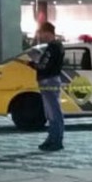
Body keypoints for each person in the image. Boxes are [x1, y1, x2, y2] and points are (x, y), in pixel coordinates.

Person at [29, 21, 65, 151]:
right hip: (51, 80)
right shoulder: (57, 46)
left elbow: (44, 65)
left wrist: (33, 64)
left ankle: (56, 140)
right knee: (51, 112)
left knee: (53, 113)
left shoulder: (53, 47)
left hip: (48, 81)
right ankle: (52, 139)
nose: (42, 36)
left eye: (43, 33)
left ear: (48, 33)